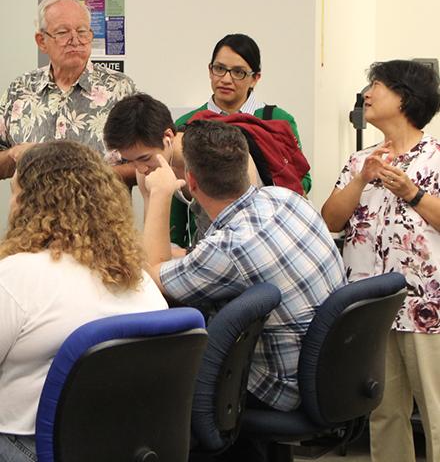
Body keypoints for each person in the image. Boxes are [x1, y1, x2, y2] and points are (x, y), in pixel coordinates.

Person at [141, 119, 346, 461]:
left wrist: (159, 194)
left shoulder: (228, 249)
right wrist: (189, 256)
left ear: (191, 182)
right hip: (329, 371)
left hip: (282, 388)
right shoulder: (286, 199)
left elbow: (152, 278)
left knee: (159, 389)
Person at [0, 140, 168, 461]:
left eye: (15, 193)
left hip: (32, 447)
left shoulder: (15, 277)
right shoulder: (140, 279)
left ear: (31, 204)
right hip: (125, 446)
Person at [321, 60, 440, 462]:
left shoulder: (436, 158)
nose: (366, 95)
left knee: (437, 413)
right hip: (370, 309)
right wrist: (360, 180)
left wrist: (414, 194)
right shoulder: (361, 160)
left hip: (426, 306)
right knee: (383, 413)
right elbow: (330, 220)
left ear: (404, 98)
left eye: (375, 86)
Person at [172, 33, 311, 246]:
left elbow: (303, 180)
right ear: (210, 70)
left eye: (238, 72)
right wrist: (173, 244)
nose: (226, 79)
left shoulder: (276, 120)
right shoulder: (187, 124)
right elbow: (177, 190)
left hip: (269, 238)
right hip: (205, 241)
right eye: (219, 68)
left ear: (255, 78)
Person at [104, 93, 270, 252]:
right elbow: (151, 242)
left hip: (244, 247)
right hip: (205, 247)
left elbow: (242, 238)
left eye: (145, 158)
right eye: (130, 161)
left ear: (167, 136)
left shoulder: (216, 154)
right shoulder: (146, 170)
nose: (140, 169)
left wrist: (184, 255)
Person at [0, 0, 137, 184]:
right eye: (63, 32)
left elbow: (147, 163)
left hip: (102, 212)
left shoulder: (121, 90)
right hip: (34, 213)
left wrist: (91, 175)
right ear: (41, 41)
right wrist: (14, 155)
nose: (75, 40)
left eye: (82, 31)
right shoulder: (20, 89)